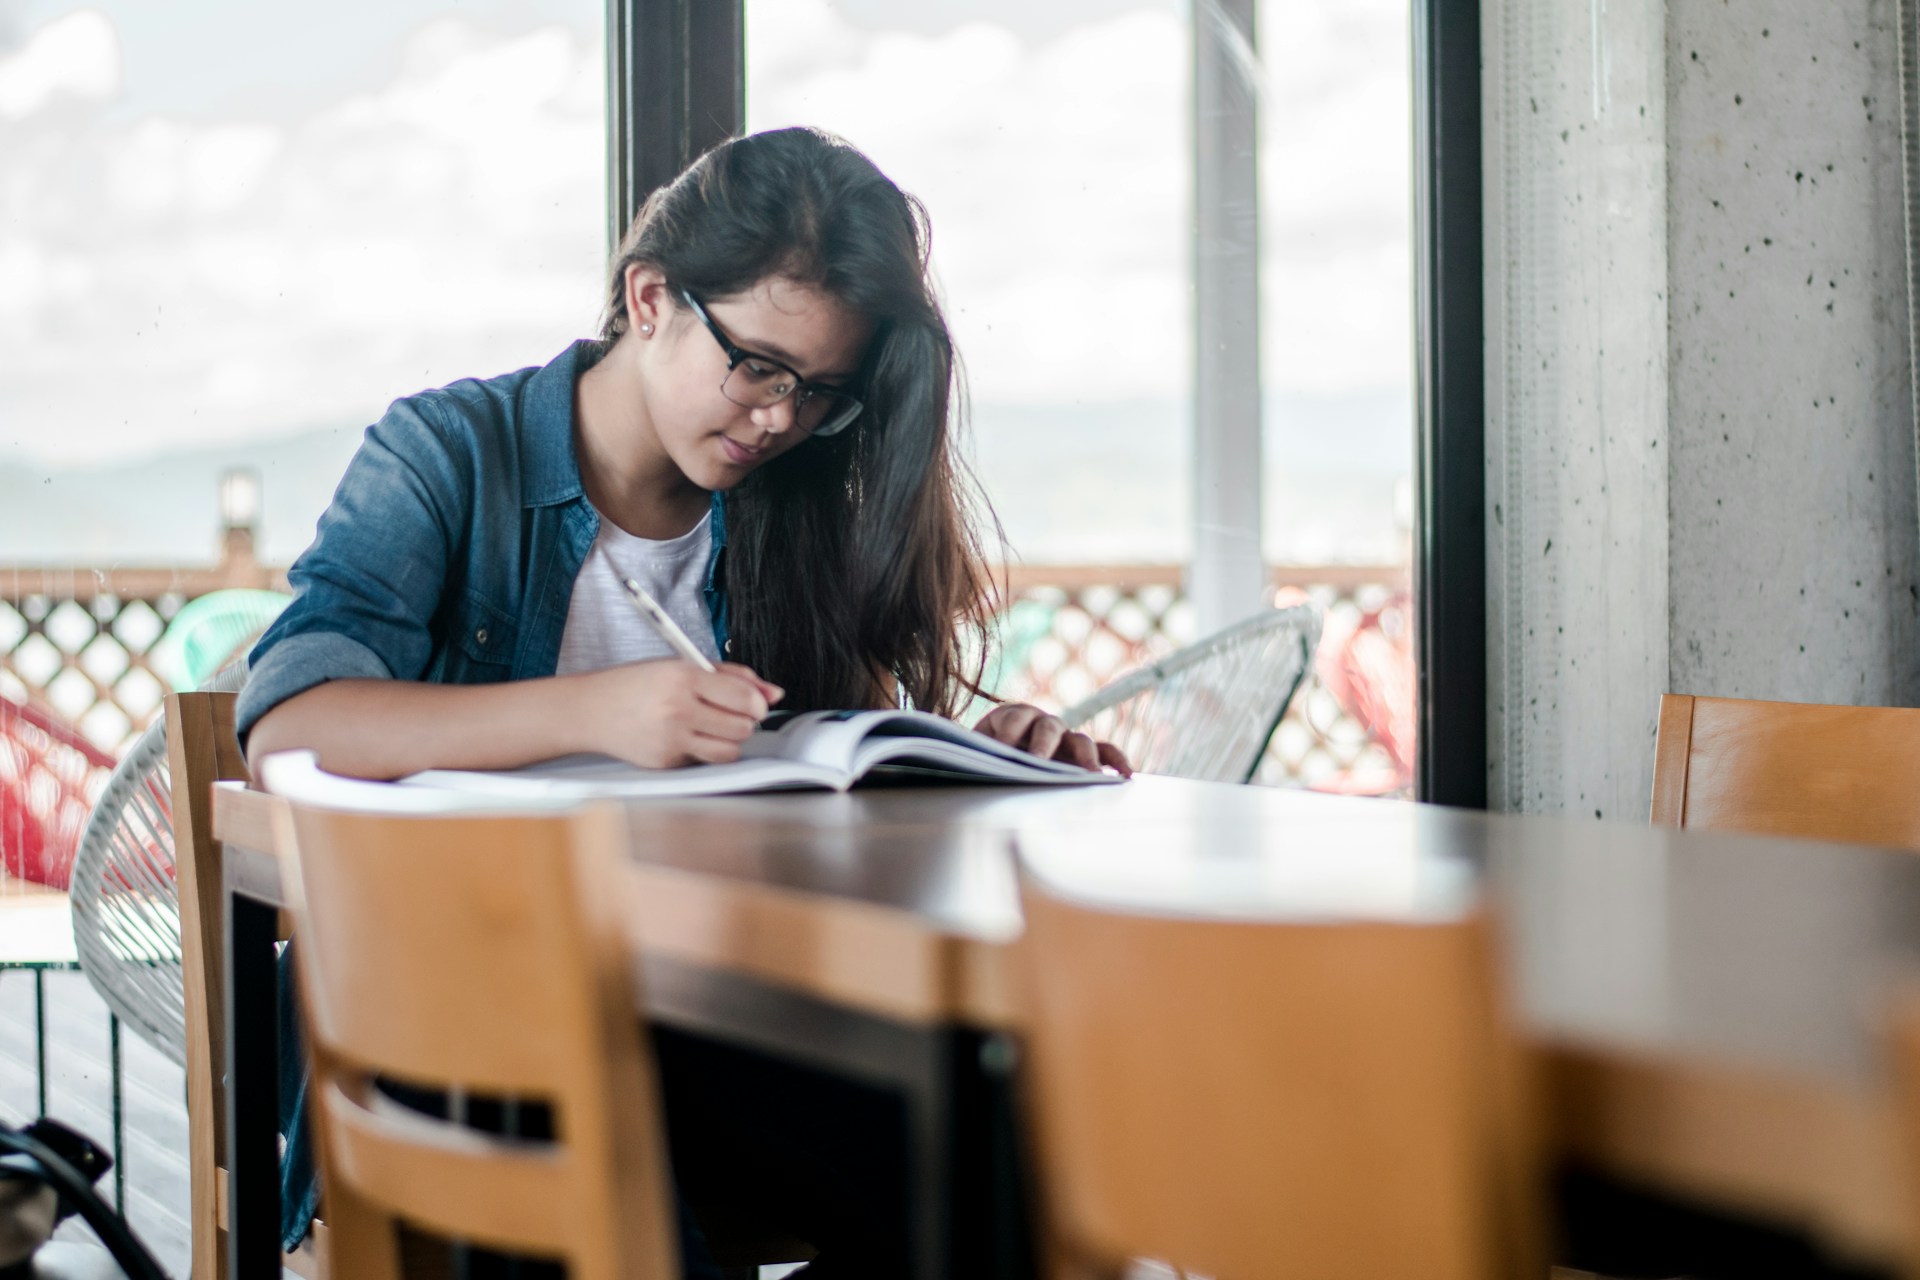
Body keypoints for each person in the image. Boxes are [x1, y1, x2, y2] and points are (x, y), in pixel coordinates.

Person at [238, 126, 1130, 1276]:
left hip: (715, 1011)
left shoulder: (790, 506)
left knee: (1006, 1151)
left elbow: (816, 771)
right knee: (562, 1137)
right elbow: (291, 726)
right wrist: (595, 712)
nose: (777, 419)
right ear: (649, 295)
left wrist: (966, 752)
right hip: (460, 1007)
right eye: (757, 364)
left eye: (820, 392)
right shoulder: (450, 452)